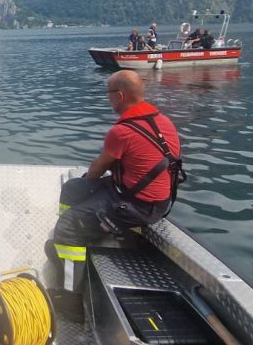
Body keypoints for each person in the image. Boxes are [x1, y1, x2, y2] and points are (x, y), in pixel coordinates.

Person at [51, 70, 184, 293]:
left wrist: (90, 185)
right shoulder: (162, 120)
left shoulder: (122, 132)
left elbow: (96, 170)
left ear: (120, 96)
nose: (108, 97)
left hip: (137, 206)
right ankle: (73, 242)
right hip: (154, 199)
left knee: (69, 226)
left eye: (109, 93)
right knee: (72, 188)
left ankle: (70, 297)